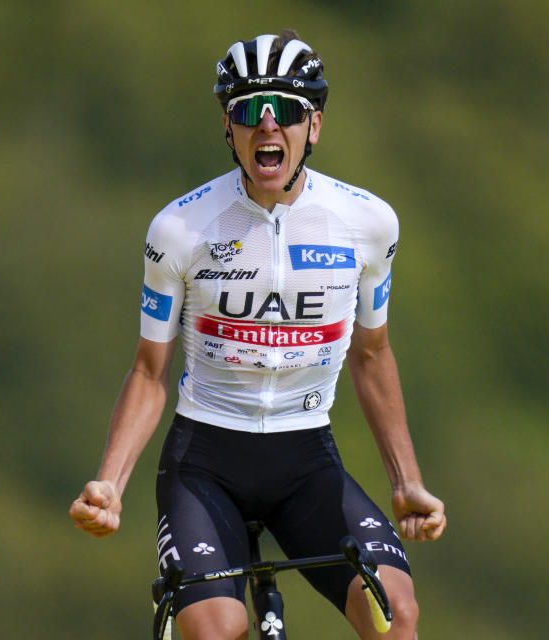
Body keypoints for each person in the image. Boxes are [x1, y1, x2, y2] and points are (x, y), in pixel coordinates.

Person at [69, 29, 445, 640]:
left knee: (394, 614)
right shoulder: (180, 229)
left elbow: (372, 355)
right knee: (218, 630)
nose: (267, 126)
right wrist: (110, 483)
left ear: (313, 127)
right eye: (248, 110)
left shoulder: (367, 224)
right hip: (206, 464)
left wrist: (406, 484)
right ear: (229, 129)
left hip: (306, 461)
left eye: (287, 111)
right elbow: (149, 369)